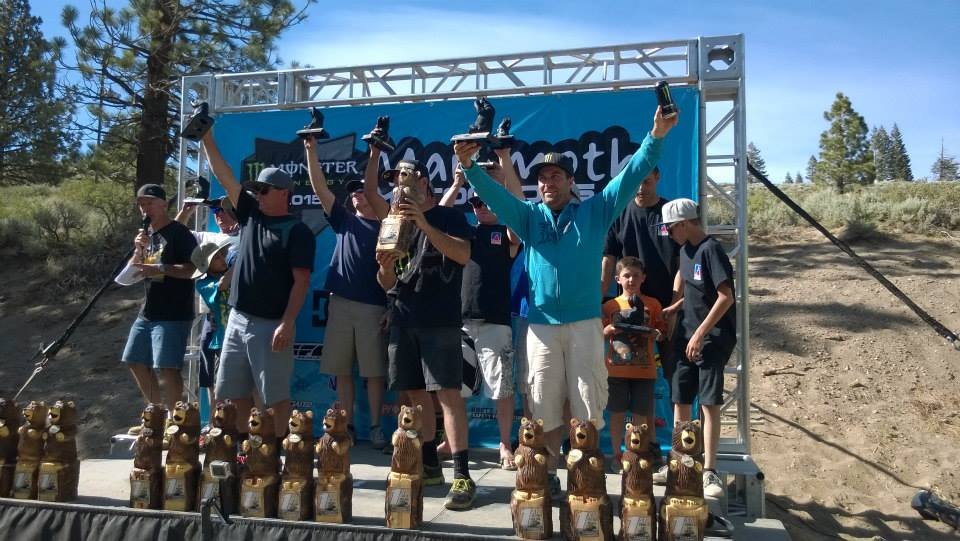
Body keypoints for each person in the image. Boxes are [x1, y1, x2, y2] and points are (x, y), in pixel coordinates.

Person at [455, 105, 678, 495]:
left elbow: (632, 174)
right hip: (541, 326)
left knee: (586, 404)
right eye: (542, 178)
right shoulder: (528, 217)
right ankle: (550, 475)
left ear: (571, 181)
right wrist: (470, 168)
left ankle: (584, 476)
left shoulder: (596, 211)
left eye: (555, 176)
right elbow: (494, 195)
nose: (547, 183)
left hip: (585, 324)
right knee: (543, 405)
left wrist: (656, 136)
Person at [375, 160, 476, 510]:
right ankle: (430, 466)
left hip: (440, 319)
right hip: (403, 318)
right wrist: (385, 268)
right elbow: (386, 282)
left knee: (448, 396)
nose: (399, 185)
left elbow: (462, 254)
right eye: (394, 181)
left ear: (422, 180)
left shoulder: (449, 217)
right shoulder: (392, 223)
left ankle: (462, 475)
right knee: (415, 397)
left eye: (404, 177)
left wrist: (424, 223)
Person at [201, 129, 316, 438]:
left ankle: (275, 451)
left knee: (274, 395)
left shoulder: (298, 232)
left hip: (271, 324)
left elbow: (301, 282)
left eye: (265, 190)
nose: (259, 195)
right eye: (257, 190)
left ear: (284, 193)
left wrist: (287, 323)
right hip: (238, 318)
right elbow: (224, 176)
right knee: (233, 391)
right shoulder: (251, 215)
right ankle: (244, 449)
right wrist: (207, 137)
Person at [304, 133, 389, 449]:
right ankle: (346, 426)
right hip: (339, 304)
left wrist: (391, 307)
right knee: (341, 371)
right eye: (352, 192)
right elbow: (319, 188)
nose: (356, 195)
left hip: (374, 306)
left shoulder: (388, 226)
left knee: (374, 373)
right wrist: (310, 149)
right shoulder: (343, 220)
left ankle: (377, 427)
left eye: (362, 190)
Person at [441, 166, 522, 470]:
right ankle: (451, 441)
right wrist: (456, 184)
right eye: (475, 202)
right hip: (460, 321)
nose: (481, 207)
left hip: (494, 322)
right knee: (456, 389)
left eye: (486, 202)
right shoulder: (465, 232)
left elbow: (517, 218)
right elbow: (437, 217)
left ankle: (504, 444)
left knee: (502, 388)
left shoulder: (507, 233)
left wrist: (497, 190)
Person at [656, 198, 737, 500]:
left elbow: (725, 297)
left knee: (708, 402)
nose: (668, 233)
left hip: (711, 338)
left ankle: (709, 470)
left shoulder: (711, 249)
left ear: (685, 224)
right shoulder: (684, 250)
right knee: (681, 399)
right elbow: (695, 290)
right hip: (686, 335)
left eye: (670, 228)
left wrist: (701, 333)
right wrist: (675, 307)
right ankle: (681, 461)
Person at [601, 165, 679, 463]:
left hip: (664, 312)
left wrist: (674, 306)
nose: (641, 188)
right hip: (626, 316)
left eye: (646, 181)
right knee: (628, 381)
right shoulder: (619, 214)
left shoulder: (668, 214)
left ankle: (674, 447)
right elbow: (608, 259)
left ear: (657, 177)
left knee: (672, 382)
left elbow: (683, 262)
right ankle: (632, 450)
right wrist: (601, 298)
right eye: (636, 182)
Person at [115, 184, 198, 427]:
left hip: (173, 312)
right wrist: (138, 251)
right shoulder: (147, 235)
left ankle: (176, 420)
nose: (145, 208)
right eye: (141, 204)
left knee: (167, 366)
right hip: (148, 311)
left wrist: (161, 268)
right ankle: (156, 414)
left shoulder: (180, 233)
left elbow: (193, 269)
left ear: (163, 204)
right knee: (134, 360)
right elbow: (130, 274)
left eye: (149, 203)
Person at [601, 257, 666, 470]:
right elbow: (600, 333)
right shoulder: (610, 306)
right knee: (617, 414)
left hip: (645, 371)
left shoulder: (653, 304)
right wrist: (608, 330)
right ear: (617, 279)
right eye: (627, 275)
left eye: (636, 276)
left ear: (643, 278)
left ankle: (637, 454)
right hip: (616, 370)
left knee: (641, 416)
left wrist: (656, 333)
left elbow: (662, 331)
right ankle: (617, 455)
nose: (631, 280)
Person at [190, 239, 235, 415]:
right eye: (216, 258)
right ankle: (215, 420)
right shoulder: (203, 283)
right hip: (220, 339)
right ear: (206, 266)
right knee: (217, 383)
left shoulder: (234, 274)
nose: (223, 259)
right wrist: (238, 264)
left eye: (222, 255)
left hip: (239, 337)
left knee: (242, 383)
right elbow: (222, 285)